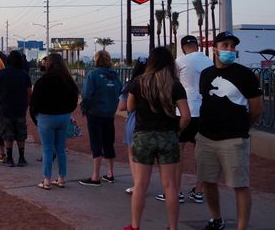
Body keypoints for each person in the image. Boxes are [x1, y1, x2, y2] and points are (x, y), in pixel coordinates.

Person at [196, 32, 263, 230]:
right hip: (206, 137)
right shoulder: (206, 74)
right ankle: (216, 219)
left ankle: (241, 227)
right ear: (215, 48)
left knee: (239, 185)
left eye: (232, 46)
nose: (230, 49)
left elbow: (257, 108)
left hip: (234, 139)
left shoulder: (245, 74)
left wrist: (242, 127)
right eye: (225, 45)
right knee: (207, 182)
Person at [125, 47, 191, 230]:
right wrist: (175, 132)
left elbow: (129, 107)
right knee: (170, 186)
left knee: (140, 185)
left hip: (143, 136)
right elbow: (186, 116)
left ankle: (135, 225)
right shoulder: (175, 85)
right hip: (168, 137)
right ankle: (172, 226)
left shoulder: (138, 83)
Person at [155, 35, 213, 204]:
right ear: (197, 45)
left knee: (178, 152)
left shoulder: (180, 61)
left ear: (182, 47)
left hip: (184, 110)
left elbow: (169, 84)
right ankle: (199, 191)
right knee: (201, 153)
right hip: (205, 112)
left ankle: (176, 191)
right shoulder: (208, 61)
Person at [30, 53, 79, 190]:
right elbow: (74, 100)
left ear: (49, 64)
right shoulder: (68, 80)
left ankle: (47, 180)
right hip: (63, 117)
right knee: (61, 149)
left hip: (46, 117)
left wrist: (36, 116)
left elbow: (34, 103)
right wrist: (67, 111)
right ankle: (62, 178)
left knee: (47, 149)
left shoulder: (43, 81)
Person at [79, 50, 122, 186]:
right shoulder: (115, 76)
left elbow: (86, 94)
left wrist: (85, 108)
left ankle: (95, 176)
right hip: (109, 113)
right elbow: (120, 92)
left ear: (96, 60)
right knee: (108, 143)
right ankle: (110, 173)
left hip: (95, 113)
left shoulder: (93, 75)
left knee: (96, 143)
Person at [0, 50, 32, 167]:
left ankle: (9, 158)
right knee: (21, 133)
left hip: (5, 108)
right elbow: (29, 93)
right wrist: (27, 104)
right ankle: (22, 158)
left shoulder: (1, 74)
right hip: (20, 108)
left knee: (7, 133)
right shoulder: (24, 75)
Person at [116, 57, 147, 195]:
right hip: (151, 121)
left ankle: (138, 185)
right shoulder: (156, 83)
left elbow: (123, 106)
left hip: (134, 120)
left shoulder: (130, 85)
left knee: (133, 154)